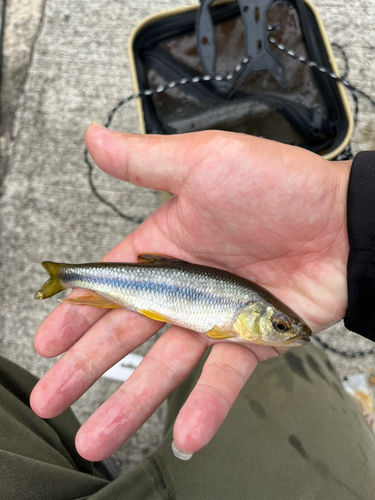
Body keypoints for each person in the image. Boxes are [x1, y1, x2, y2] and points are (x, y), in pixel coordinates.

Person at [1, 126, 375, 499]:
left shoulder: (243, 318)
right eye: (279, 325)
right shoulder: (240, 311)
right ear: (256, 314)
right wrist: (348, 213)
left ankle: (65, 275)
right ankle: (65, 275)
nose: (288, 332)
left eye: (282, 327)